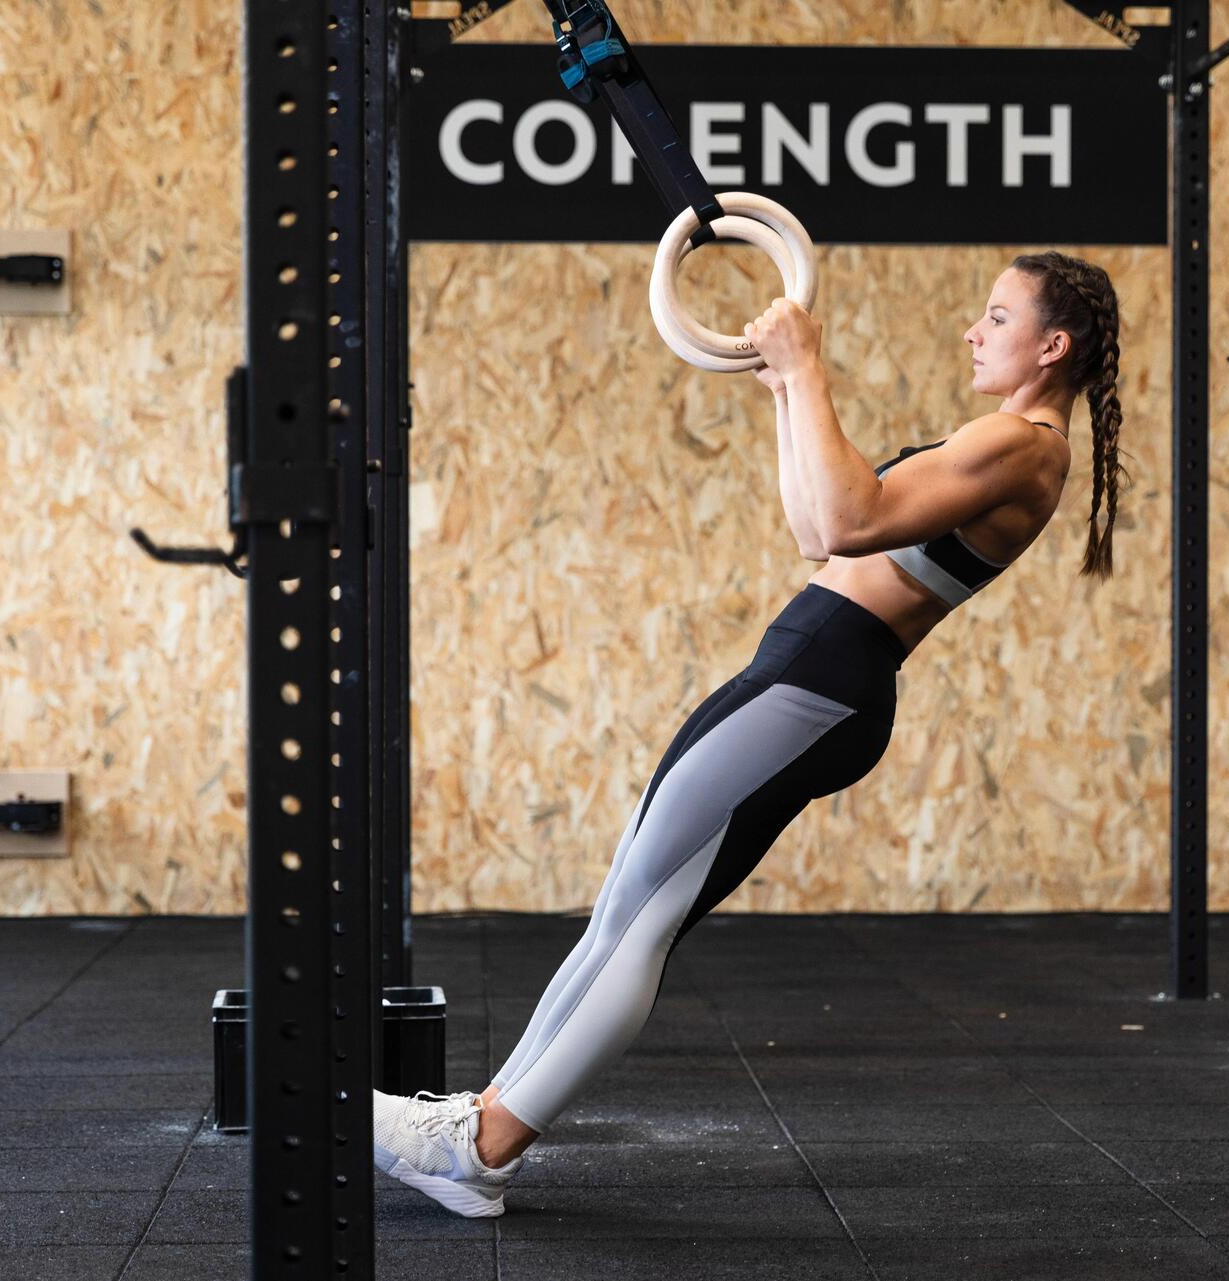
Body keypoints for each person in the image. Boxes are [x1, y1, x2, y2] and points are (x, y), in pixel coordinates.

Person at [371, 250, 1127, 1218]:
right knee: (628, 902)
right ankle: (481, 1124)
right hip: (804, 669)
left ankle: (483, 1147)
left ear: (1050, 345)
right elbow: (818, 528)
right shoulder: (1005, 440)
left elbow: (855, 518)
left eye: (995, 316)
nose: (973, 332)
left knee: (645, 916)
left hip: (822, 679)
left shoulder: (1023, 443)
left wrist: (810, 368)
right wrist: (783, 393)